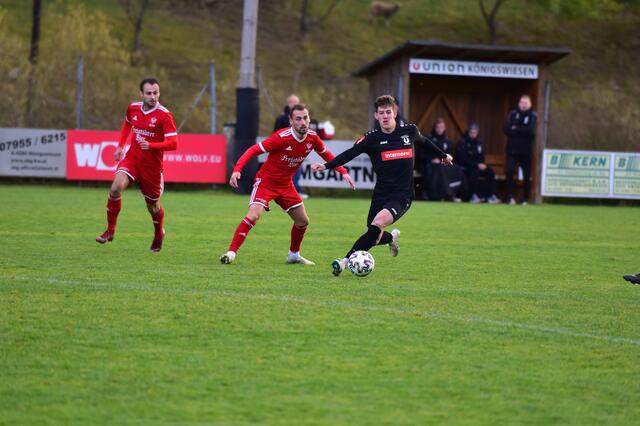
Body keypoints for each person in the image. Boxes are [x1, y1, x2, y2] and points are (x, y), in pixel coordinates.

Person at [311, 95, 453, 276]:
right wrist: (325, 166)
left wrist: (443, 155)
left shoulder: (409, 131)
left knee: (377, 223)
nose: (385, 116)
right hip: (381, 194)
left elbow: (425, 142)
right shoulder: (371, 138)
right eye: (381, 113)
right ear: (376, 116)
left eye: (388, 112)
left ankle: (344, 261)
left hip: (402, 195)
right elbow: (349, 153)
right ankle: (391, 237)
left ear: (395, 112)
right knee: (373, 235)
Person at [220, 103, 355, 265]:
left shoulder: (313, 138)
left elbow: (327, 155)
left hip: (286, 185)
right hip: (266, 182)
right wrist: (237, 169)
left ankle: (293, 255)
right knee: (254, 215)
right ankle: (231, 253)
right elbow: (254, 150)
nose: (303, 122)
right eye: (298, 119)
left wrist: (343, 172)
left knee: (303, 221)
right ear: (291, 121)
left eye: (305, 118)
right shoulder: (281, 137)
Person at [96, 77, 178, 252]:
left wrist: (151, 145)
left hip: (152, 168)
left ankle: (158, 234)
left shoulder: (164, 115)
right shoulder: (133, 108)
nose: (153, 97)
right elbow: (127, 124)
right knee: (116, 187)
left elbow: (174, 144)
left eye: (155, 93)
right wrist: (120, 146)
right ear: (141, 93)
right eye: (148, 93)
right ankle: (110, 230)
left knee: (153, 207)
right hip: (132, 159)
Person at [418, 118, 462, 201]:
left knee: (457, 169)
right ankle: (444, 195)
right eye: (438, 127)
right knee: (439, 169)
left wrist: (446, 160)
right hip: (429, 164)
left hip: (443, 164)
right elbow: (420, 153)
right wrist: (431, 159)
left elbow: (450, 154)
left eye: (442, 127)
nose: (440, 129)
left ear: (444, 128)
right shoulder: (428, 138)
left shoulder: (447, 141)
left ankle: (454, 193)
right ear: (435, 128)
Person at [504, 94, 537, 205]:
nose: (523, 105)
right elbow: (506, 129)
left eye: (525, 103)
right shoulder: (513, 114)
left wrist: (516, 128)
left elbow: (530, 131)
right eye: (521, 103)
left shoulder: (533, 115)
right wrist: (521, 128)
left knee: (527, 176)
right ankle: (510, 197)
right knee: (509, 171)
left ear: (530, 104)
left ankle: (525, 199)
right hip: (512, 151)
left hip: (526, 152)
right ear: (519, 103)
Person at [455, 123, 501, 204]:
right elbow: (463, 159)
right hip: (466, 167)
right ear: (468, 132)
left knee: (490, 172)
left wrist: (482, 164)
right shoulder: (463, 142)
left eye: (475, 133)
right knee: (475, 171)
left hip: (477, 166)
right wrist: (476, 165)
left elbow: (481, 156)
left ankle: (491, 195)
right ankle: (473, 195)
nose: (473, 134)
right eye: (471, 132)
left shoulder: (479, 143)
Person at [274, 94, 308, 199]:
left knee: (297, 170)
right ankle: (281, 191)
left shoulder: (303, 118)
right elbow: (275, 134)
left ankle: (295, 190)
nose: (294, 104)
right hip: (284, 151)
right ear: (288, 103)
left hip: (298, 150)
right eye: (292, 102)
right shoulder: (281, 118)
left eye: (296, 102)